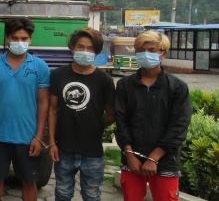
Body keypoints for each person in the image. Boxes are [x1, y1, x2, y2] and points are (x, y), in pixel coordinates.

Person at [115, 31, 191, 201]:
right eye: (141, 50)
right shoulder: (125, 85)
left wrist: (153, 158)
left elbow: (179, 126)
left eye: (152, 50)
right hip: (132, 160)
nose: (146, 54)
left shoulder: (177, 87)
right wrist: (129, 155)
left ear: (163, 53)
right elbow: (121, 122)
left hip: (165, 160)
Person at [0, 17, 50, 201]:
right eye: (15, 38)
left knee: (29, 182)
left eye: (24, 38)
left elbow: (43, 103)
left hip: (28, 138)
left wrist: (39, 136)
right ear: (7, 39)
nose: (19, 42)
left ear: (30, 39)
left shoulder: (40, 67)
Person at [48, 28, 115, 200]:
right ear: (72, 48)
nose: (85, 51)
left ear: (96, 52)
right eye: (80, 47)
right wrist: (52, 142)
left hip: (92, 150)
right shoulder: (58, 74)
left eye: (90, 48)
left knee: (92, 195)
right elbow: (53, 109)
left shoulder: (104, 80)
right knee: (62, 193)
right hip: (64, 149)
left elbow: (111, 113)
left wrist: (96, 125)